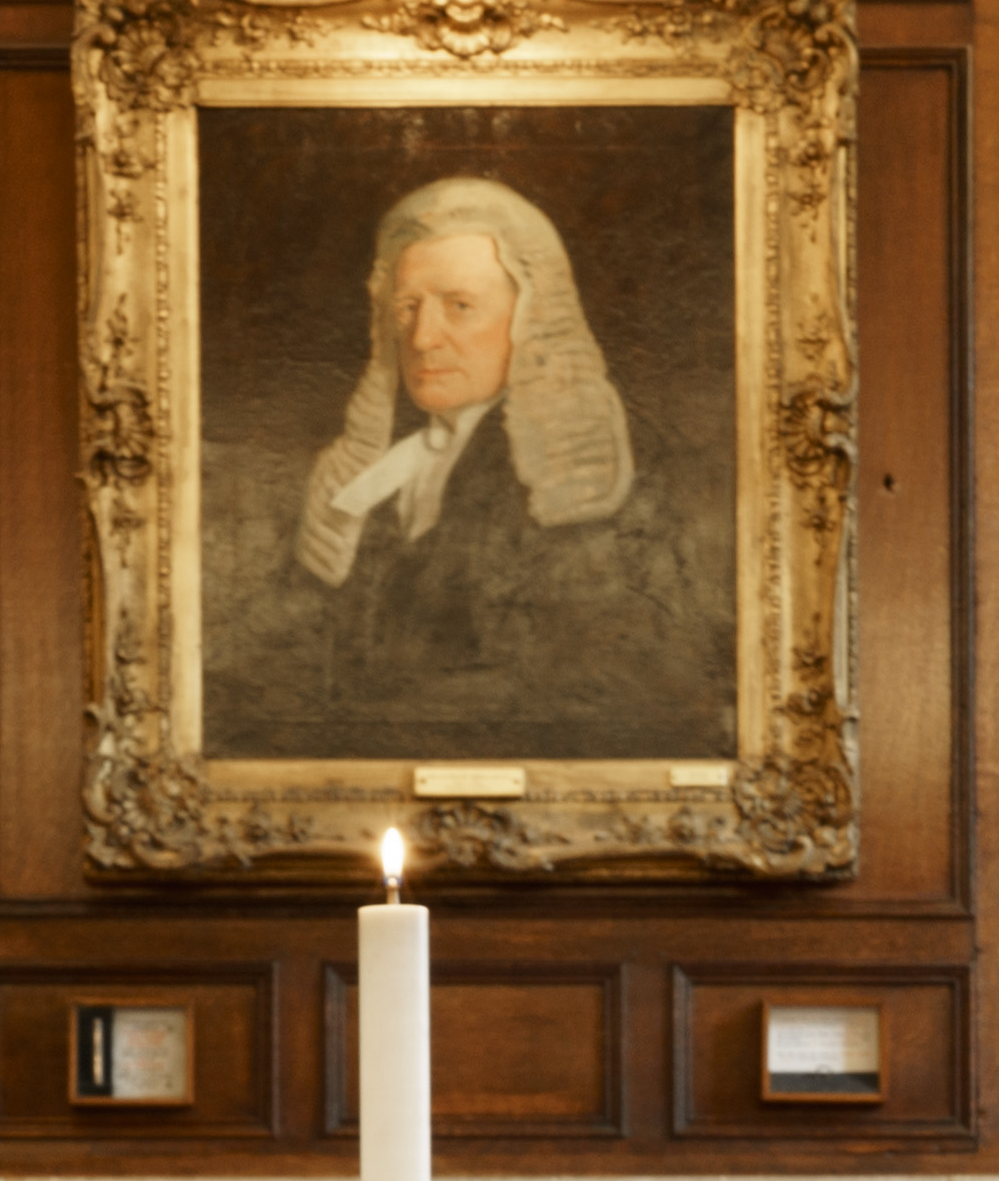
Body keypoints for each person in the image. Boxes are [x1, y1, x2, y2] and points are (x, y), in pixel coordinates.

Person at [277, 177, 734, 763]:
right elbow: (290, 641)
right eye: (407, 308)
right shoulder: (375, 472)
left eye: (459, 307)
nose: (422, 337)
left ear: (531, 319)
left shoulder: (599, 469)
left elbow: (589, 686)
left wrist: (345, 727)